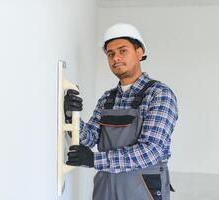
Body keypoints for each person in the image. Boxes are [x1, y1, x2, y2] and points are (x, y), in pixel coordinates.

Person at [64, 23, 178, 200]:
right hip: (106, 184)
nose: (115, 57)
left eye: (122, 50)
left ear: (139, 52)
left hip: (142, 185)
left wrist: (95, 160)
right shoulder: (107, 98)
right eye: (110, 54)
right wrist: (72, 115)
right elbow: (91, 137)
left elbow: (151, 151)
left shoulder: (159, 94)